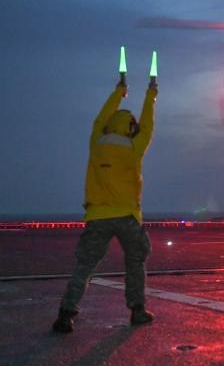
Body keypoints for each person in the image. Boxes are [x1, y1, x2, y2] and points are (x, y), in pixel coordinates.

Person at [52, 77, 158, 333]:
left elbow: (99, 118)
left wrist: (119, 92)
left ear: (110, 125)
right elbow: (148, 124)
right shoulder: (135, 145)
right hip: (127, 216)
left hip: (97, 215)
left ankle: (65, 315)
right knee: (136, 260)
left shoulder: (96, 143)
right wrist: (150, 95)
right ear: (130, 127)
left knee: (84, 267)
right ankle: (137, 310)